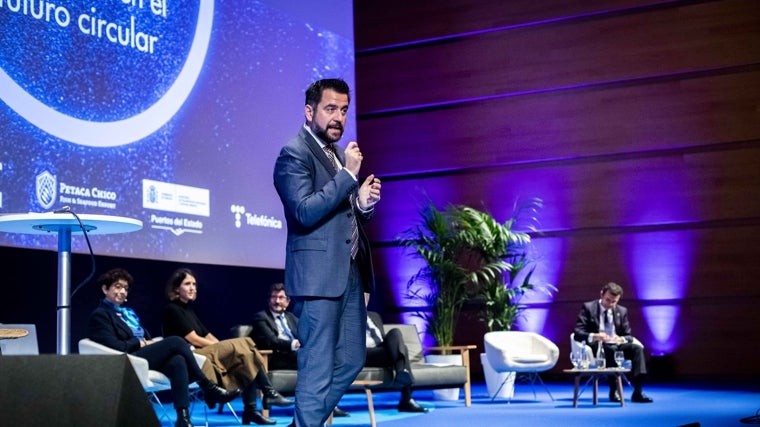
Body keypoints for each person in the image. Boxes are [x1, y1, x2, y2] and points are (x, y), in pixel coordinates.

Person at [273, 78, 381, 427]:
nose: (338, 117)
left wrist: (362, 204)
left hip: (349, 272)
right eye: (330, 109)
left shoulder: (333, 154)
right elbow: (305, 211)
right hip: (319, 276)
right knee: (317, 365)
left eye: (344, 110)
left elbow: (341, 213)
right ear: (310, 111)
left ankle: (303, 423)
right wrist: (349, 175)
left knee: (350, 359)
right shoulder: (294, 153)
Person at [87, 268, 240, 427]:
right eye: (118, 287)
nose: (123, 291)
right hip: (127, 360)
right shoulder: (100, 315)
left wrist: (148, 342)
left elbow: (143, 337)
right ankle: (208, 386)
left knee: (178, 360)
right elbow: (116, 346)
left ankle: (183, 418)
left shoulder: (127, 314)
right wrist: (143, 343)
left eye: (125, 288)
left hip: (143, 356)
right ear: (105, 289)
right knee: (176, 341)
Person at [162, 268, 294, 425]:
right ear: (177, 288)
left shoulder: (188, 309)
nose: (192, 288)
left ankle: (252, 410)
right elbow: (194, 339)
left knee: (247, 355)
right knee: (246, 344)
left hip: (202, 352)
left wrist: (224, 346)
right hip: (190, 355)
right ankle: (267, 394)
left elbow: (206, 334)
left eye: (194, 284)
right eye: (187, 284)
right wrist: (224, 347)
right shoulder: (172, 309)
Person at [250, 283, 348, 417]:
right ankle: (322, 405)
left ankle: (326, 404)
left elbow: (305, 335)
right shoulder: (261, 317)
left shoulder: (291, 317)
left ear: (288, 301)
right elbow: (270, 341)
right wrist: (294, 344)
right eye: (274, 297)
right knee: (314, 362)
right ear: (269, 300)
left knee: (322, 359)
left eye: (281, 297)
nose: (277, 301)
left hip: (294, 356)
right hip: (275, 358)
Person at [573, 282, 653, 403]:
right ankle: (614, 390)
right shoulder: (588, 307)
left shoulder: (622, 311)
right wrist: (595, 336)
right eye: (608, 300)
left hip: (616, 344)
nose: (610, 304)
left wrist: (621, 339)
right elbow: (578, 332)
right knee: (611, 350)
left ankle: (638, 392)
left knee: (637, 349)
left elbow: (628, 335)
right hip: (598, 346)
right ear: (601, 294)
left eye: (614, 301)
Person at [365, 311, 429, 413]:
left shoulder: (374, 316)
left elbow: (383, 338)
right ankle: (407, 399)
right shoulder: (347, 315)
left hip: (381, 351)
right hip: (364, 353)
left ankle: (401, 372)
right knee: (403, 349)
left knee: (395, 333)